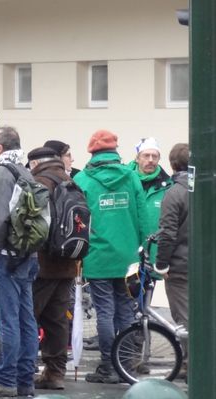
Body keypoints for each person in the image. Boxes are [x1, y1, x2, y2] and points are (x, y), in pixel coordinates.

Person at [74, 130, 150, 384]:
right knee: (126, 310)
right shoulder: (130, 177)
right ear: (115, 151)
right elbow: (143, 216)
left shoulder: (84, 179)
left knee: (104, 311)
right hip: (128, 257)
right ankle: (125, 362)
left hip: (97, 255)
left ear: (92, 152)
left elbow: (78, 220)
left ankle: (108, 365)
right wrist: (143, 248)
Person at [0, 127, 40, 398]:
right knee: (26, 318)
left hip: (6, 256)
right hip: (27, 254)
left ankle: (5, 378)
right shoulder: (24, 170)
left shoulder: (2, 173)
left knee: (7, 319)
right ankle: (25, 378)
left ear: (0, 148)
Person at [27, 147, 80, 390]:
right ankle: (55, 372)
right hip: (68, 261)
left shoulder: (40, 182)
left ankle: (23, 368)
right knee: (57, 320)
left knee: (29, 315)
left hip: (44, 262)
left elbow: (34, 221)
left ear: (36, 163)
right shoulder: (71, 182)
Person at [155, 143, 190, 377]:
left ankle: (191, 364)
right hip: (205, 264)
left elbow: (167, 233)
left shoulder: (174, 193)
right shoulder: (206, 188)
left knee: (185, 319)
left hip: (180, 266)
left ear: (172, 165)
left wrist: (162, 263)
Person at [129, 137, 171, 263]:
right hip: (128, 251)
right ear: (137, 158)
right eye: (146, 156)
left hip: (154, 253)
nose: (151, 160)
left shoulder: (168, 186)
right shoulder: (124, 182)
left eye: (155, 156)